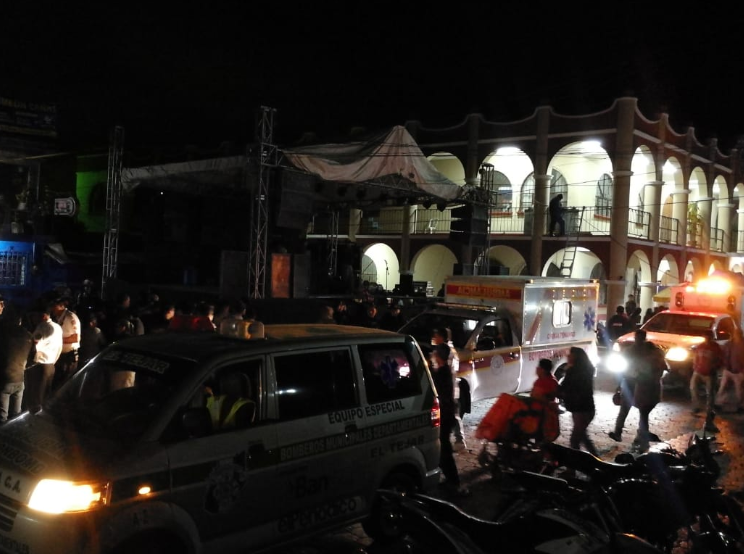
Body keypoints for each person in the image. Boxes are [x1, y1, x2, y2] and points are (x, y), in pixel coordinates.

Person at [608, 330, 665, 452]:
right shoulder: (637, 351)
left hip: (642, 385)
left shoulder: (648, 353)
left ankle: (640, 438)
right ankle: (624, 434)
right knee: (628, 409)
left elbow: (655, 371)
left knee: (642, 412)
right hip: (633, 382)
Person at [430, 343, 468, 496]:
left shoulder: (441, 373)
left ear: (438, 356)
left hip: (445, 415)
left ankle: (454, 481)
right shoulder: (445, 371)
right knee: (443, 447)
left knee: (444, 448)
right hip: (448, 413)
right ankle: (450, 478)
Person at [558, 347, 599, 456]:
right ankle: (598, 461)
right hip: (586, 408)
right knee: (583, 437)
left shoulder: (575, 372)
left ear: (576, 357)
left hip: (581, 410)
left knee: (574, 440)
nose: (567, 356)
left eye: (570, 355)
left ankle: (572, 468)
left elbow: (567, 388)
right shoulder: (585, 371)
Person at [432, 327, 466, 451]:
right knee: (452, 413)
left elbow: (443, 369)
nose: (434, 338)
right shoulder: (448, 349)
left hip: (448, 388)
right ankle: (457, 439)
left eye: (436, 335)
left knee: (452, 413)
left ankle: (459, 440)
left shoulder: (444, 351)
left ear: (441, 337)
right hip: (451, 387)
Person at [26, 303, 63, 413]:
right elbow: (60, 347)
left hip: (40, 367)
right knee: (45, 399)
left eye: (34, 316)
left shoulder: (42, 327)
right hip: (51, 365)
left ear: (42, 316)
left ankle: (32, 425)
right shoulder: (58, 327)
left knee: (35, 400)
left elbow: (33, 345)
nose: (33, 319)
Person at [0, 313, 34, 423]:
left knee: (2, 417)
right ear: (20, 322)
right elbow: (33, 357)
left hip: (5, 379)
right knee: (16, 415)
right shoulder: (28, 336)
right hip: (20, 378)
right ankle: (16, 434)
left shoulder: (4, 335)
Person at [690, 330, 724, 433]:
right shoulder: (701, 346)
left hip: (709, 373)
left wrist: (714, 368)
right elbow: (695, 356)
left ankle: (709, 412)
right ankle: (697, 406)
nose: (707, 339)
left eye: (708, 337)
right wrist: (695, 366)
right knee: (693, 388)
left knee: (710, 394)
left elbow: (720, 360)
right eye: (706, 337)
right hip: (698, 371)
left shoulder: (716, 348)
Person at [50, 297, 81, 391]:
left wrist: (57, 340)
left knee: (65, 385)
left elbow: (76, 338)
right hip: (62, 356)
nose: (52, 309)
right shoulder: (59, 318)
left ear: (60, 306)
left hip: (69, 357)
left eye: (53, 306)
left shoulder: (70, 317)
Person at [716, 326, 744, 413]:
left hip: (739, 371)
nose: (736, 335)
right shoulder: (729, 344)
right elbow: (722, 353)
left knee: (739, 390)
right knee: (723, 387)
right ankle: (719, 404)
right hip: (728, 370)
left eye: (737, 334)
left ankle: (741, 406)